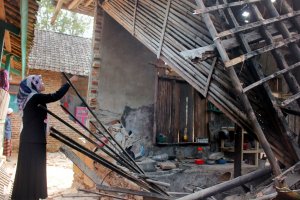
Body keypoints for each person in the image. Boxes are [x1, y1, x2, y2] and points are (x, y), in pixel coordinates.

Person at [12, 74, 78, 200]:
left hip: (31, 139)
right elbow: (55, 96)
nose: (43, 83)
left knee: (30, 169)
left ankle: (27, 195)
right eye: (40, 81)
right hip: (34, 140)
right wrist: (69, 82)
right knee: (34, 168)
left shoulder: (31, 98)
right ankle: (30, 196)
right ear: (34, 84)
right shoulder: (35, 97)